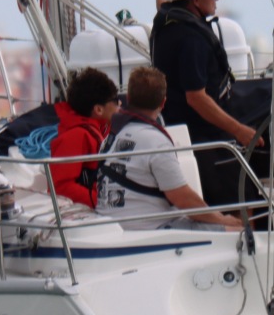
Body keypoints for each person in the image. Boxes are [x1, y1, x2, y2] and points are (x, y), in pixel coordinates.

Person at [149, 0, 261, 205]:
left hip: (182, 129)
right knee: (243, 204)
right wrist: (239, 130)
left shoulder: (166, 20)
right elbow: (196, 98)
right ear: (196, 0)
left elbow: (161, 3)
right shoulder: (192, 38)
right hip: (206, 136)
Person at [95, 67, 245, 232]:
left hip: (110, 226)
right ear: (163, 102)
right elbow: (182, 199)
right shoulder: (155, 142)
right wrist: (222, 219)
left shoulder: (110, 138)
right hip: (149, 229)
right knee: (237, 232)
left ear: (128, 98)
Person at [49, 67, 119, 207]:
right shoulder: (75, 137)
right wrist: (103, 203)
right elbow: (60, 187)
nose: (120, 105)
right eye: (116, 101)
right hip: (92, 207)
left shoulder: (101, 129)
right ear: (98, 109)